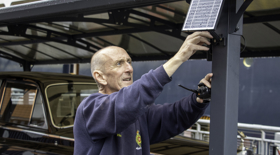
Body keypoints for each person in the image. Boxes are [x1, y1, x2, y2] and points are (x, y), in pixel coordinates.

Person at [74, 31, 213, 155]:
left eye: (129, 61)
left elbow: (173, 116)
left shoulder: (138, 112)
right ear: (100, 77)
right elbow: (126, 103)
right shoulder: (91, 109)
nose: (129, 68)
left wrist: (198, 99)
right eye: (119, 63)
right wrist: (179, 57)